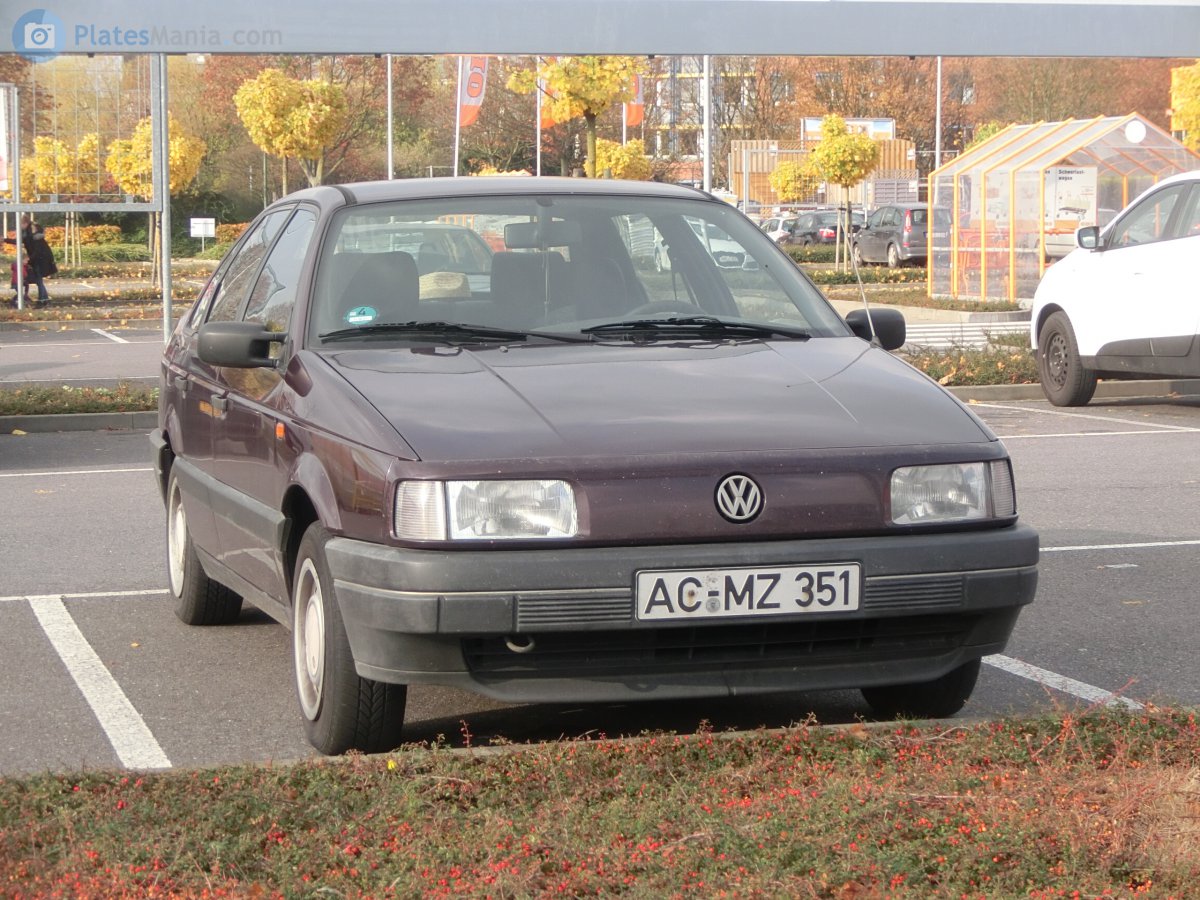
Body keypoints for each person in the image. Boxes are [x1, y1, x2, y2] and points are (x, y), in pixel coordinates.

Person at [5, 214, 56, 306]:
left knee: (39, 281)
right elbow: (19, 240)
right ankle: (44, 299)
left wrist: (28, 259)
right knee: (39, 281)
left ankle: (43, 301)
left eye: (20, 224)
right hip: (37, 259)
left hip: (41, 259)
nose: (19, 226)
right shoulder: (27, 232)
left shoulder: (33, 232)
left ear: (25, 223)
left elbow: (38, 250)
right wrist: (5, 240)